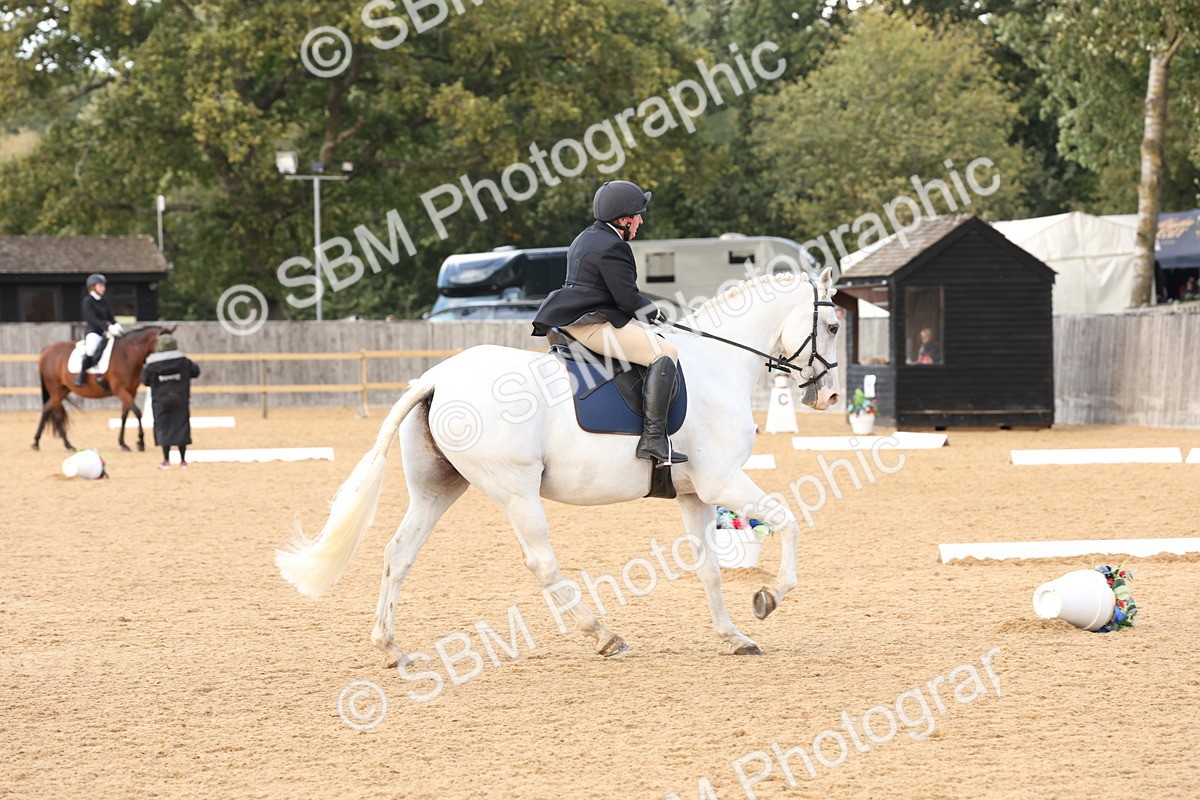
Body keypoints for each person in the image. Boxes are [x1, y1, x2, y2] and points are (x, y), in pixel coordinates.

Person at [532, 180, 685, 467]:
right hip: (591, 325)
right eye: (637, 215)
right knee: (665, 353)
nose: (640, 221)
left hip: (575, 317)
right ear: (623, 219)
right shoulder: (614, 246)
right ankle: (653, 439)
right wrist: (653, 313)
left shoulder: (587, 236)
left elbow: (609, 291)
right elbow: (627, 298)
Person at [141, 333, 201, 469]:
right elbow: (196, 372)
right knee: (181, 425)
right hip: (180, 397)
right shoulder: (183, 361)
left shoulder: (152, 363)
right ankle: (183, 460)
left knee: (163, 426)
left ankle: (166, 460)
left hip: (161, 399)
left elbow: (145, 380)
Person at [75, 273, 124, 386]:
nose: (104, 288)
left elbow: (111, 317)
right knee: (92, 349)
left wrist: (116, 325)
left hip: (107, 332)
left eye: (104, 286)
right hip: (94, 332)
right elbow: (92, 319)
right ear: (93, 287)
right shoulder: (87, 301)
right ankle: (82, 375)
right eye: (101, 286)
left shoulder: (104, 301)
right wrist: (107, 326)